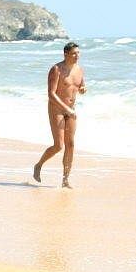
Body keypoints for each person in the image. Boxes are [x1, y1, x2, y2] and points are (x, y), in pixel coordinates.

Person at [33, 41, 86, 188]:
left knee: (71, 144)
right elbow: (51, 94)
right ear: (66, 54)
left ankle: (65, 180)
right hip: (56, 109)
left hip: (71, 109)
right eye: (74, 53)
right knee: (58, 145)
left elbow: (80, 85)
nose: (77, 56)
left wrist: (82, 89)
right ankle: (39, 165)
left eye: (78, 53)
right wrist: (66, 109)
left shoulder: (79, 70)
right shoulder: (56, 69)